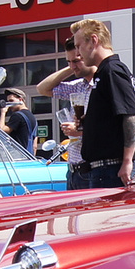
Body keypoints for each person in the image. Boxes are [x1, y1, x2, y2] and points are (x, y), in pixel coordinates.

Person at [69, 18, 135, 188]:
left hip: (111, 168)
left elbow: (132, 115)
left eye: (79, 46)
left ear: (93, 40)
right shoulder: (105, 72)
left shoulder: (111, 70)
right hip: (104, 168)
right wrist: (90, 122)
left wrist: (127, 161)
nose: (77, 53)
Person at [34, 41, 95, 187]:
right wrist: (72, 68)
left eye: (77, 60)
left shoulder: (101, 85)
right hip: (73, 168)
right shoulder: (79, 86)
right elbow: (42, 88)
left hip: (91, 167)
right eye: (69, 61)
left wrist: (80, 131)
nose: (73, 65)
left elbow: (109, 126)